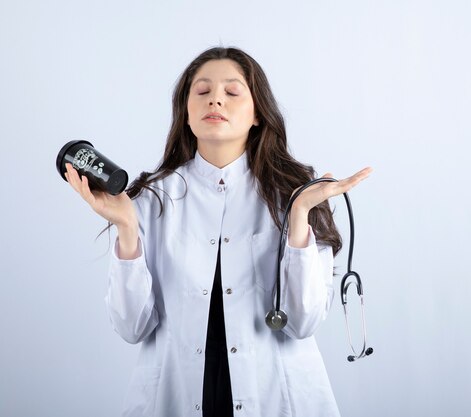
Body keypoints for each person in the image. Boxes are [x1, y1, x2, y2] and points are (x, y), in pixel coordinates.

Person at [64, 46, 372, 417]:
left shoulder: (296, 195)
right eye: (203, 91)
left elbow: (302, 322)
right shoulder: (149, 200)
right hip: (178, 398)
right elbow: (132, 328)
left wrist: (299, 214)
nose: (216, 100)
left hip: (278, 398)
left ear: (258, 113)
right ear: (187, 114)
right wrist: (127, 226)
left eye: (232, 91)